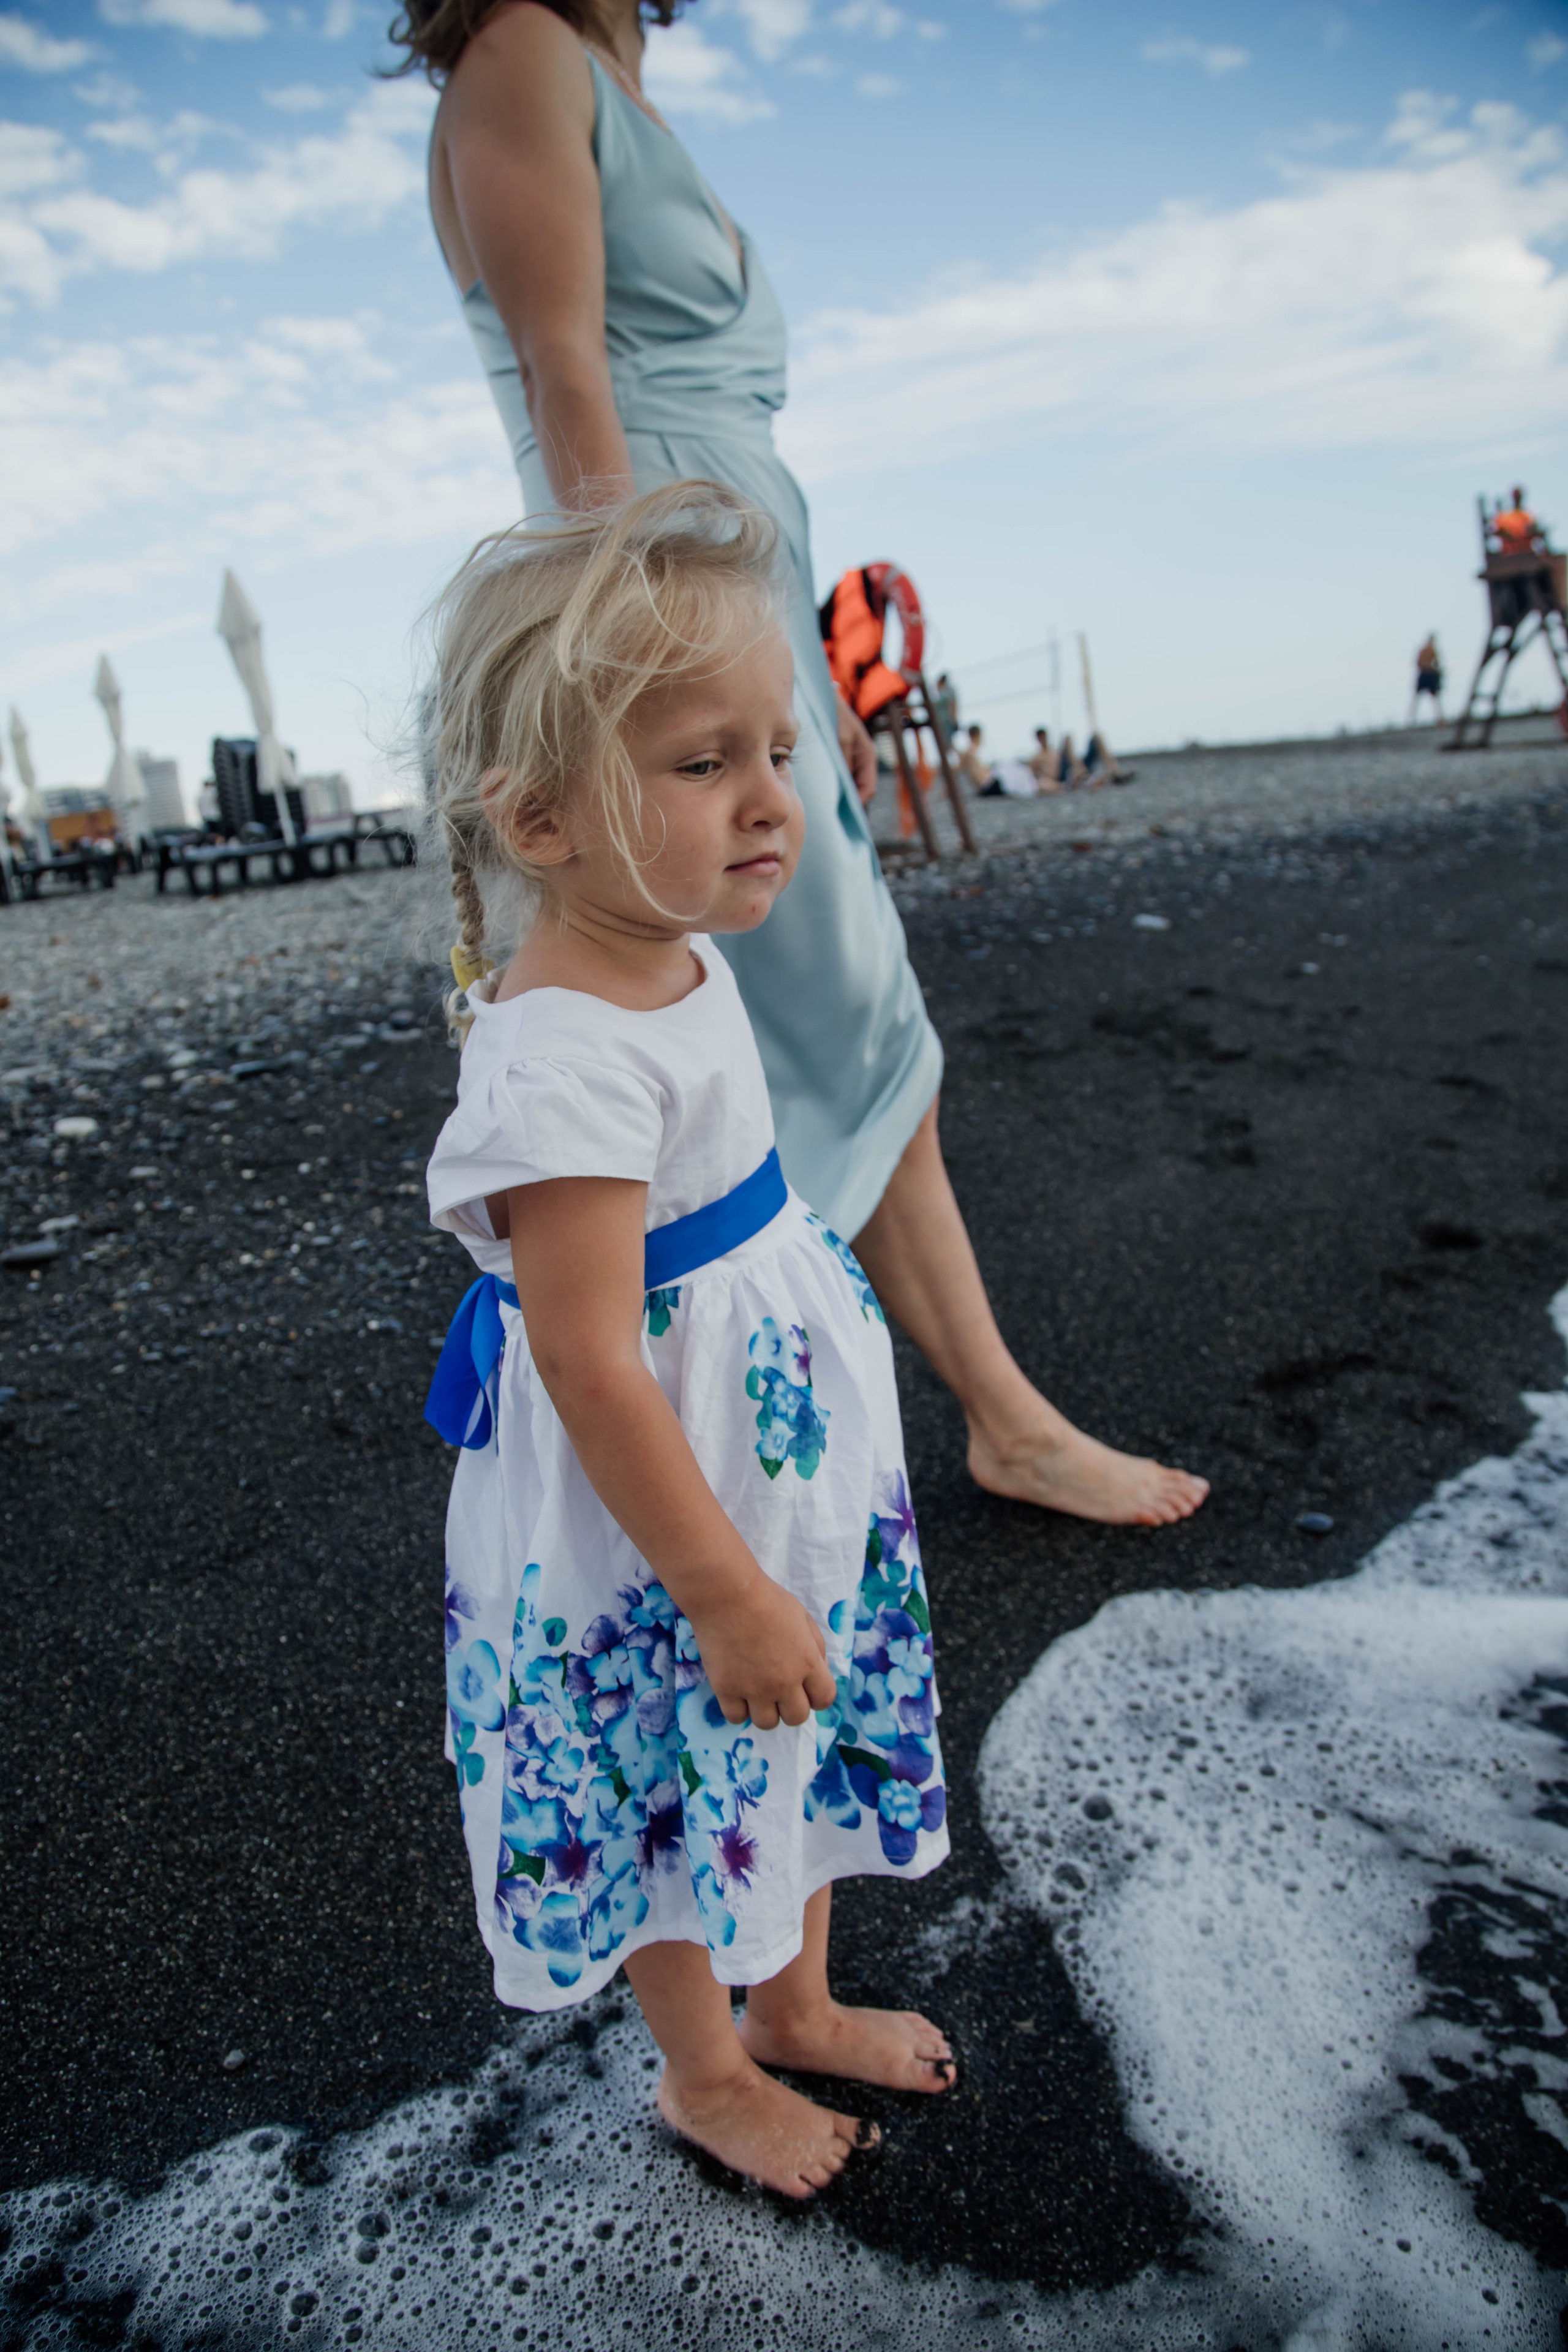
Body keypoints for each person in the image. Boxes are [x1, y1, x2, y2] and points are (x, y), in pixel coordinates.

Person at [407, 0, 1207, 1528]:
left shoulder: (615, 85)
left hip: (735, 596)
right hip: (664, 602)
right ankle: (950, 1421)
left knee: (821, 1015)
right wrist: (641, 642)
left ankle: (768, 1411)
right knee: (831, 1004)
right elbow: (567, 365)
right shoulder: (521, 47)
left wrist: (774, 675)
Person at [423, 484, 954, 2199]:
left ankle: (790, 1998)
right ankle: (708, 2070)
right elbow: (586, 1357)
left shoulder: (676, 950)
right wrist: (718, 1585)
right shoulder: (558, 1048)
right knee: (667, 1750)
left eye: (778, 752)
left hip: (763, 1443)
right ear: (545, 818)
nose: (771, 803)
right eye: (704, 761)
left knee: (787, 1716)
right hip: (646, 1500)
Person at [1494, 488, 1542, 555]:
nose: (1517, 498)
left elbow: (1533, 530)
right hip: (1508, 552)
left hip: (1526, 551)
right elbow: (1497, 530)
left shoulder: (1528, 516)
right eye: (1516, 496)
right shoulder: (1504, 517)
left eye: (1518, 496)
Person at [1410, 635, 1444, 725]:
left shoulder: (1422, 650)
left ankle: (1411, 720)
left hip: (1423, 673)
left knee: (1419, 697)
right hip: (1430, 674)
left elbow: (1418, 663)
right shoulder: (1432, 650)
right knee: (1434, 697)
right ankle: (1439, 719)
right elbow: (1436, 663)